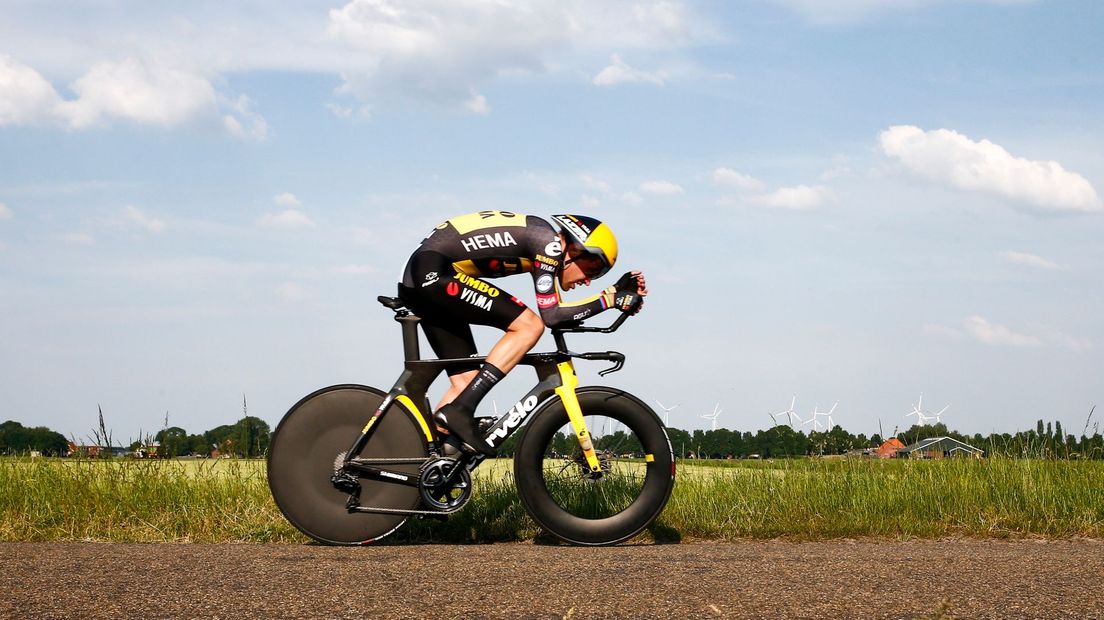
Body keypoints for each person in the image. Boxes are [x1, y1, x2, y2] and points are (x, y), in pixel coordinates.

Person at [397, 210, 647, 456]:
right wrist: (610, 301)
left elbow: (559, 312)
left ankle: (422, 462)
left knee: (466, 380)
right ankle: (460, 411)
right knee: (529, 326)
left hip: (425, 275)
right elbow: (552, 317)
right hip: (434, 274)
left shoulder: (546, 246)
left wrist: (611, 294)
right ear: (576, 249)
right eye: (593, 270)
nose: (589, 281)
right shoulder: (548, 244)